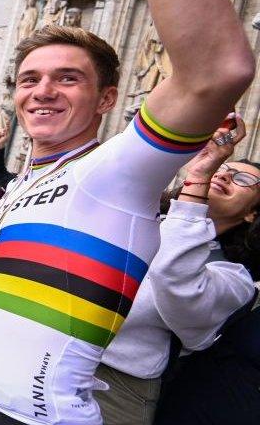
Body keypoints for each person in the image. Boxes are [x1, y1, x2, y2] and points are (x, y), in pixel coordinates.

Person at [0, 0, 255, 424]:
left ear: (108, 99)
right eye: (29, 80)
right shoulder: (33, 175)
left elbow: (215, 70)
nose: (41, 92)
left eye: (68, 79)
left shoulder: (116, 171)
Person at [93, 116, 258, 423]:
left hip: (114, 388)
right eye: (224, 169)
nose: (225, 176)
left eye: (244, 180)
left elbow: (172, 273)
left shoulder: (236, 280)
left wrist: (200, 175)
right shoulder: (143, 217)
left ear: (252, 214)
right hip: (51, 351)